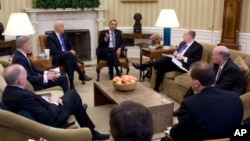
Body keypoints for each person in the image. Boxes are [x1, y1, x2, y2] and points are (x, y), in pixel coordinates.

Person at [2, 64, 110, 141]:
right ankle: (92, 132)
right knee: (72, 94)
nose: (27, 77)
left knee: (72, 97)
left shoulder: (9, 91)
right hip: (53, 119)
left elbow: (33, 104)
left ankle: (83, 117)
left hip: (45, 109)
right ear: (20, 81)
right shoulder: (22, 96)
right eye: (25, 75)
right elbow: (48, 118)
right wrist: (54, 102)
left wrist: (48, 100)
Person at [168, 61, 243, 141]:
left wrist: (176, 125)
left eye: (190, 78)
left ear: (196, 83)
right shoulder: (235, 97)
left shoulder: (189, 104)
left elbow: (176, 135)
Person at [132, 29, 203, 92]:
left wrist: (184, 58)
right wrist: (175, 53)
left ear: (190, 36)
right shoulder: (182, 43)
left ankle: (144, 66)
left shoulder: (198, 47)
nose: (182, 36)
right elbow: (178, 52)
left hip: (185, 66)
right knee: (161, 66)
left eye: (184, 34)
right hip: (176, 63)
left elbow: (195, 61)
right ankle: (156, 88)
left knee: (166, 59)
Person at [47, 20, 92, 89]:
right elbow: (54, 51)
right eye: (62, 26)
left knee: (69, 62)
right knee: (69, 55)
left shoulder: (64, 35)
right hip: (58, 58)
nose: (64, 28)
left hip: (67, 57)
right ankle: (81, 74)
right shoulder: (51, 37)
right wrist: (67, 53)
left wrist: (72, 50)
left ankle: (71, 84)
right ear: (58, 27)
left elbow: (71, 45)